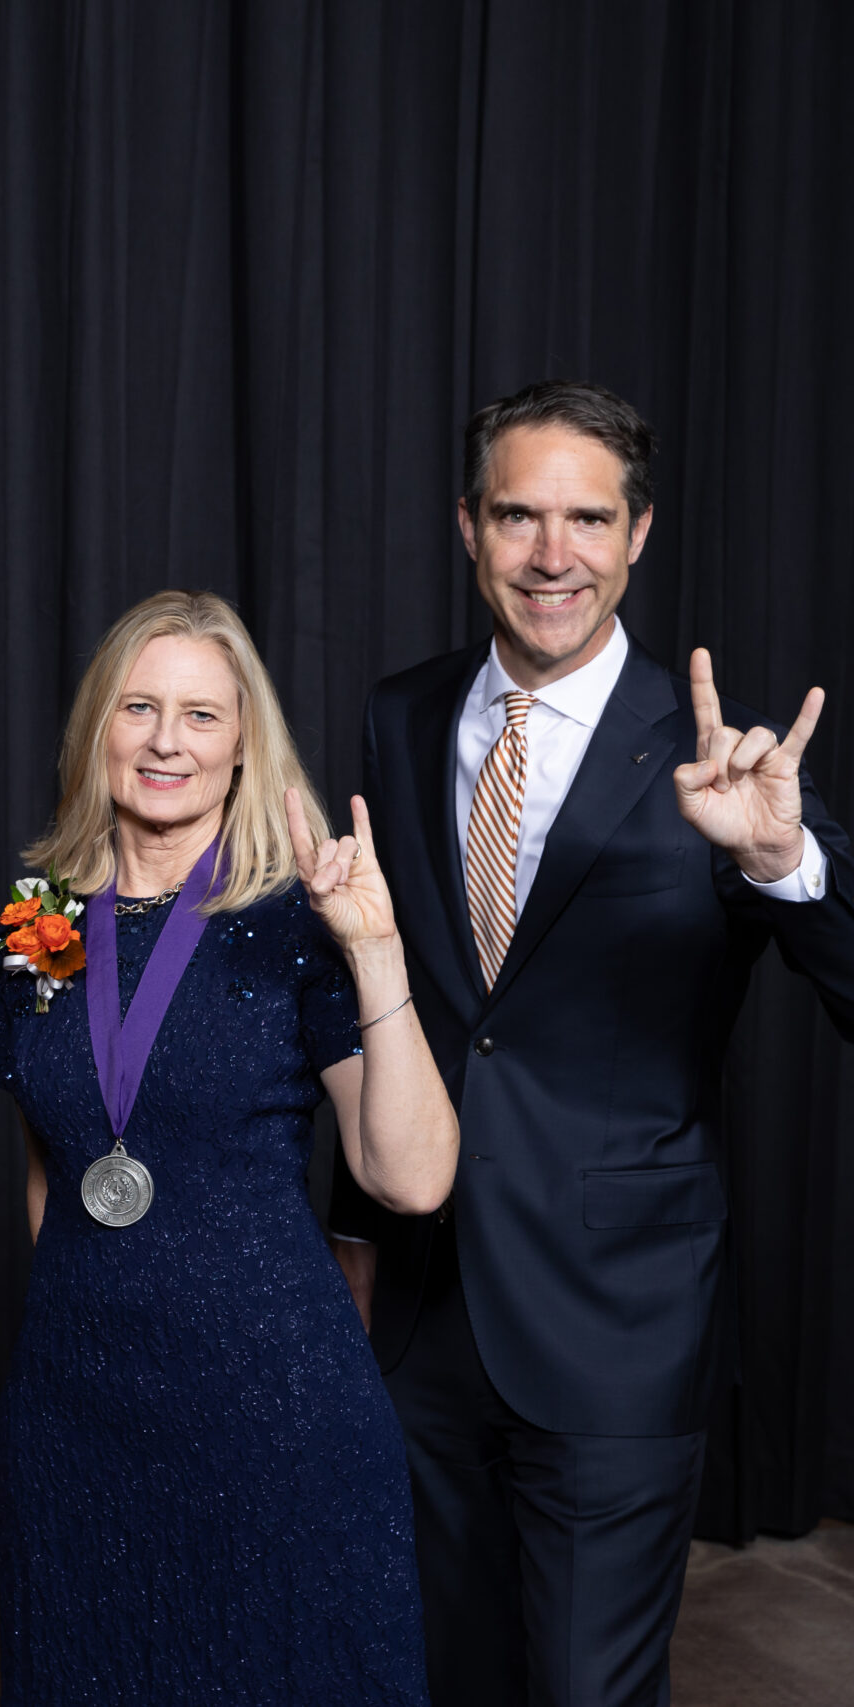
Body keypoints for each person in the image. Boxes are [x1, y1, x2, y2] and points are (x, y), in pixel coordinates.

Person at [326, 379, 854, 1706]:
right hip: (425, 1317)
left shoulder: (715, 758)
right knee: (443, 1671)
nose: (552, 552)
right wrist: (354, 1257)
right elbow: (385, 1003)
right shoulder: (400, 717)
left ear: (639, 534)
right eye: (518, 514)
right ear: (466, 526)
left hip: (618, 1322)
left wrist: (787, 858)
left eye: (586, 517)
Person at [0, 589, 456, 1704]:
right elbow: (50, 1180)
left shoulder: (301, 919)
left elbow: (412, 1175)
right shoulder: (32, 920)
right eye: (138, 707)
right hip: (77, 1418)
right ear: (96, 725)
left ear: (244, 743)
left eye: (201, 715)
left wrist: (376, 950)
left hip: (268, 1412)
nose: (165, 741)